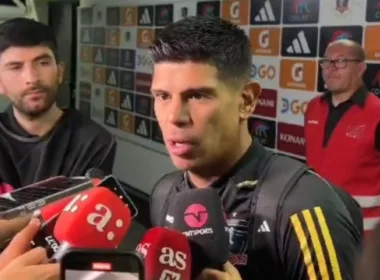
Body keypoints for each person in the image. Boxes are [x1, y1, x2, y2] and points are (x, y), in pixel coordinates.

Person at [149, 16, 363, 279]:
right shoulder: (164, 194)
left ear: (246, 101)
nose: (174, 117)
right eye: (162, 96)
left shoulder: (303, 205)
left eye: (197, 95)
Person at [0, 18, 116, 192]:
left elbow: (74, 214)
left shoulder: (92, 140)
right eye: (16, 67)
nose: (32, 79)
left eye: (43, 63)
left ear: (60, 72)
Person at [305, 39, 380, 235]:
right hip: (318, 226)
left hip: (363, 234)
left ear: (361, 68)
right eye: (326, 62)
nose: (330, 69)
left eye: (340, 62)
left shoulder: (377, 113)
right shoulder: (313, 108)